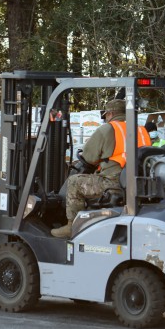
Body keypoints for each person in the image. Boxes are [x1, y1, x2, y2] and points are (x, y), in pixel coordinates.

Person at [51, 99, 150, 238]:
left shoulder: (108, 129)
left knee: (74, 182)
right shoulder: (141, 129)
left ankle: (71, 226)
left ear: (110, 114)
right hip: (139, 182)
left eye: (106, 116)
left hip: (114, 183)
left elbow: (89, 157)